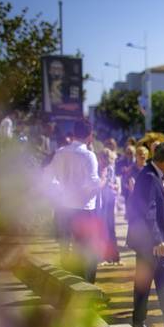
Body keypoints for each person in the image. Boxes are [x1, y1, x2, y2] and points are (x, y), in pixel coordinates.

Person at [125, 143, 164, 327]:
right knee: (145, 281)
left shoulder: (155, 174)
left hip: (156, 239)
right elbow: (148, 212)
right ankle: (139, 321)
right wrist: (157, 240)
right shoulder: (150, 177)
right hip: (150, 241)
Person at [45, 118, 104, 283]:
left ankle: (73, 286)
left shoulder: (60, 152)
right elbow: (93, 184)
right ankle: (86, 289)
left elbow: (49, 177)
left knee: (70, 251)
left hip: (64, 207)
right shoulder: (88, 155)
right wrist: (104, 180)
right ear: (90, 135)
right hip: (84, 209)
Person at [97, 148, 121, 265]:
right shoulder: (97, 168)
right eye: (104, 157)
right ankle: (103, 256)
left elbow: (113, 183)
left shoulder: (110, 169)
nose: (106, 160)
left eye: (108, 158)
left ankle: (114, 256)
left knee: (110, 228)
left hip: (109, 201)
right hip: (99, 202)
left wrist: (114, 186)